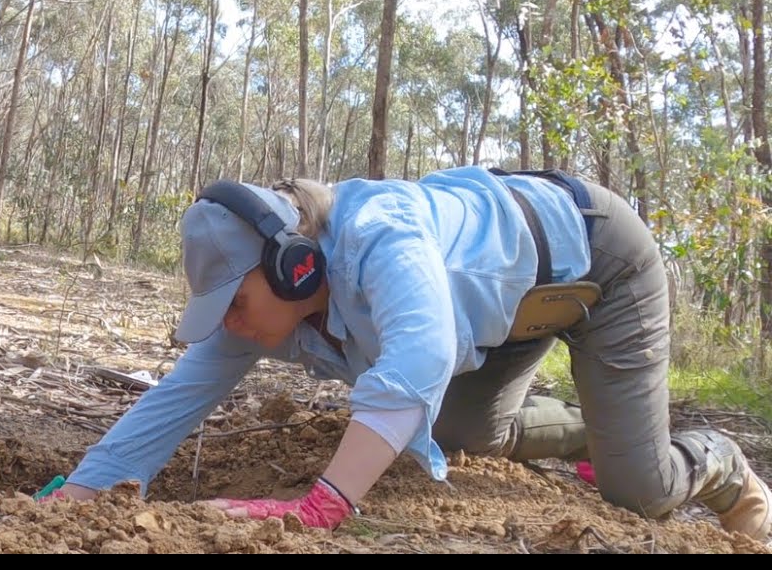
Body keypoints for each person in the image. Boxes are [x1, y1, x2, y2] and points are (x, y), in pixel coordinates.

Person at [45, 166, 772, 541]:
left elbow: (422, 355)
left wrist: (322, 508)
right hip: (503, 313)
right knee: (460, 436)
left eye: (234, 302)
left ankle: (719, 463)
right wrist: (87, 490)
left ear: (294, 264)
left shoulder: (380, 238)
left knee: (639, 489)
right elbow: (179, 395)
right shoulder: (268, 311)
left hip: (597, 263)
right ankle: (608, 429)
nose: (231, 325)